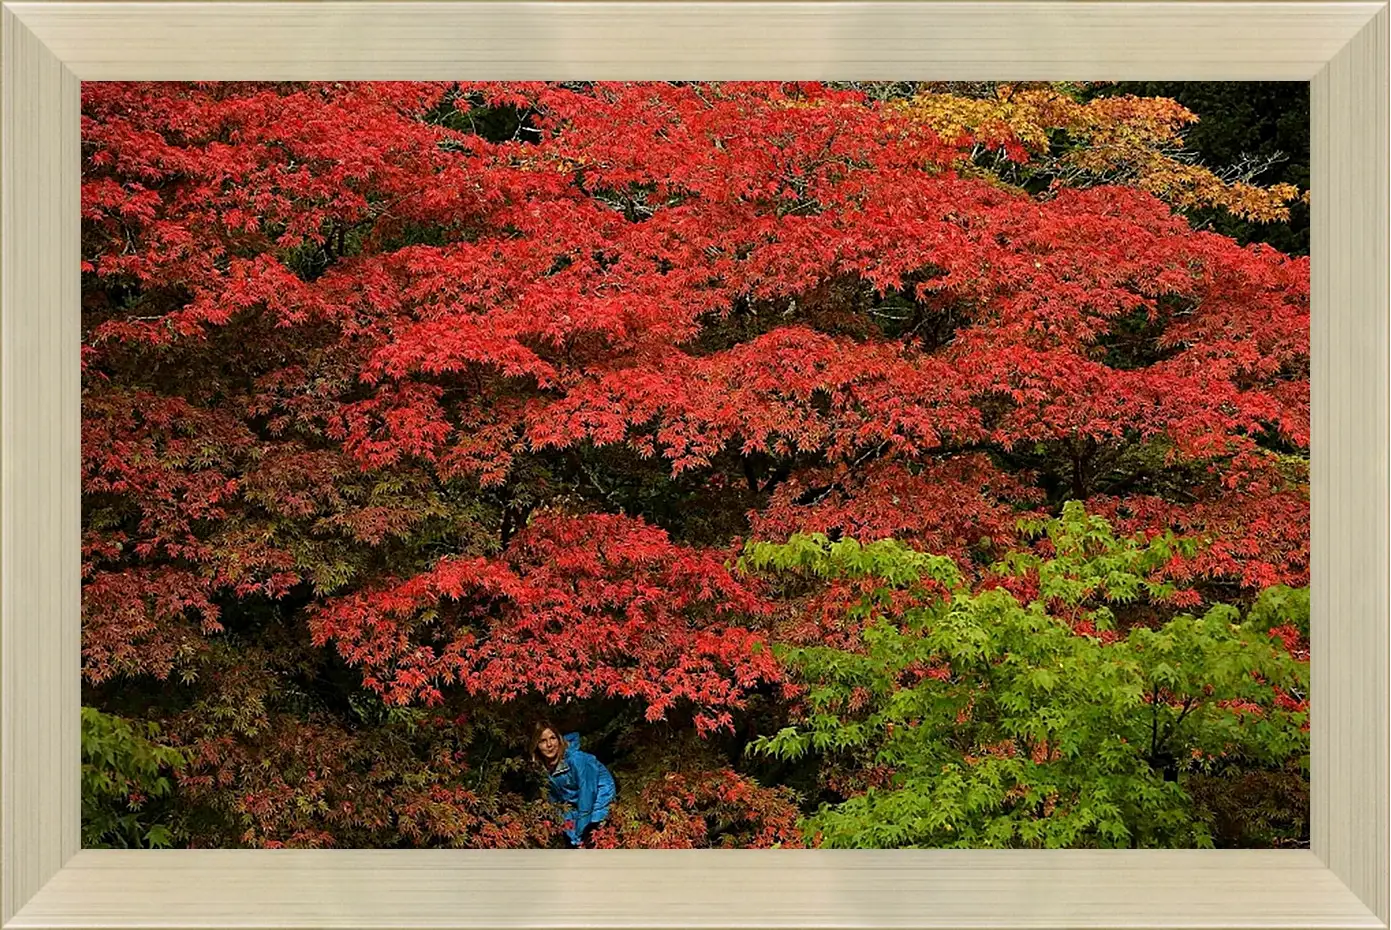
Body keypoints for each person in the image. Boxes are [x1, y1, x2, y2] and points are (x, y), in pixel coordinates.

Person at [532, 723, 616, 847]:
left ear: (559, 739)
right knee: (571, 843)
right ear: (536, 746)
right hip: (575, 805)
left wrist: (579, 833)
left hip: (598, 802)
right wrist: (568, 829)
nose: (549, 744)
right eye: (543, 741)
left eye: (553, 738)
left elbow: (587, 794)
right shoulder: (543, 769)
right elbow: (557, 804)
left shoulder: (578, 760)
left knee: (588, 842)